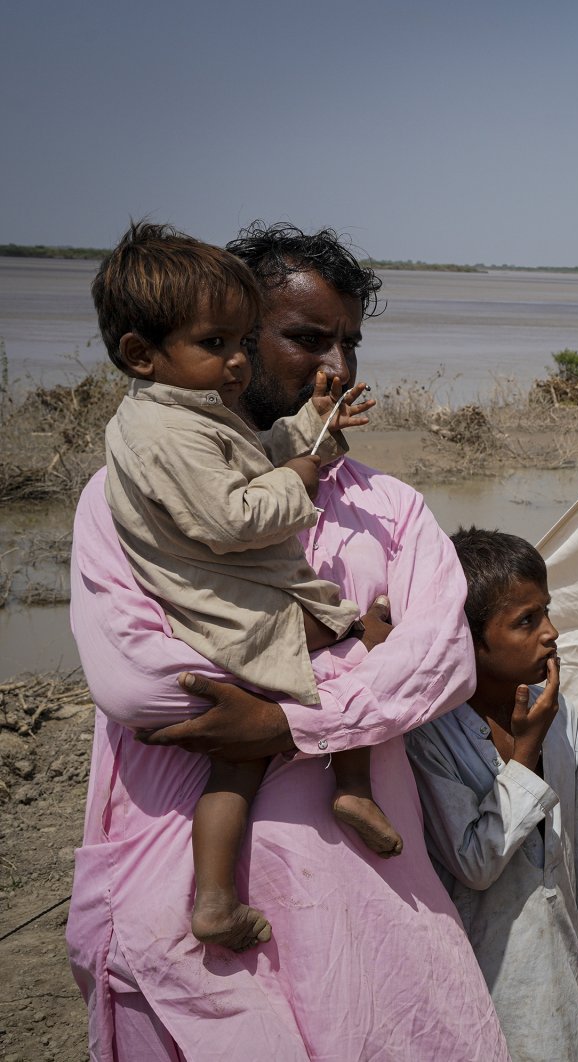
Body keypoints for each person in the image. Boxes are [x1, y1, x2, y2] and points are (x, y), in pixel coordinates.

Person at [66, 222, 510, 1059]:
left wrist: (289, 725)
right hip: (183, 912)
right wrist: (349, 677)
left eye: (349, 343)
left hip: (364, 912)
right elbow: (135, 684)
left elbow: (441, 662)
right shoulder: (123, 500)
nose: (336, 368)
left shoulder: (392, 509)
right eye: (306, 339)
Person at [92, 222, 401, 954]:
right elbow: (235, 510)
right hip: (238, 636)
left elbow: (250, 459)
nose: (234, 362)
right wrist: (301, 479)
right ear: (142, 354)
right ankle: (349, 784)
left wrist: (310, 431)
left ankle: (217, 897)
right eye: (219, 344)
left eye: (237, 342)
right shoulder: (148, 450)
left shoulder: (190, 420)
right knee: (363, 635)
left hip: (346, 906)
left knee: (240, 762)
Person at [405, 528, 578, 1062]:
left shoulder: (557, 710)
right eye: (526, 621)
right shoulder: (429, 734)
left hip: (560, 962)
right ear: (468, 639)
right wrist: (524, 752)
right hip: (486, 974)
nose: (551, 633)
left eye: (545, 612)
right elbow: (474, 863)